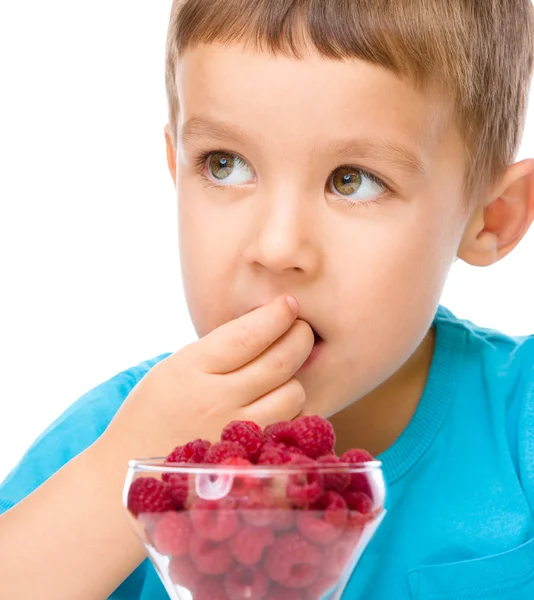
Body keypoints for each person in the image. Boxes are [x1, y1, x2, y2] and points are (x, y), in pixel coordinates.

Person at [2, 0, 534, 598]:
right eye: (225, 165)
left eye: (352, 179)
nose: (277, 247)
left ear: (492, 218)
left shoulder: (520, 426)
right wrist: (123, 473)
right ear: (176, 169)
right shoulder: (112, 438)